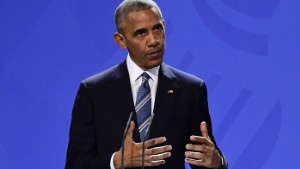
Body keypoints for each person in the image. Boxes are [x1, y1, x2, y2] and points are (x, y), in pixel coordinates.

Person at [65, 0, 228, 169]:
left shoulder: (191, 90)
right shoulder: (93, 91)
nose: (153, 40)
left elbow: (203, 157)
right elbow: (75, 165)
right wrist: (116, 162)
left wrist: (217, 163)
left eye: (157, 28)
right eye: (141, 33)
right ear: (121, 40)